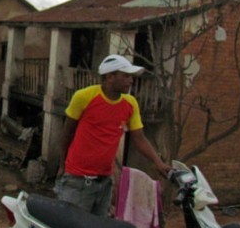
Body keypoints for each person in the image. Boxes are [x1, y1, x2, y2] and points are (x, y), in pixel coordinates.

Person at [56, 54, 171, 217]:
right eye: (125, 76)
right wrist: (62, 165)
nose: (131, 81)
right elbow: (67, 132)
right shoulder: (84, 97)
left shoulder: (130, 104)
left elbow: (140, 138)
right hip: (78, 180)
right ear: (110, 77)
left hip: (104, 181)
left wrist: (158, 163)